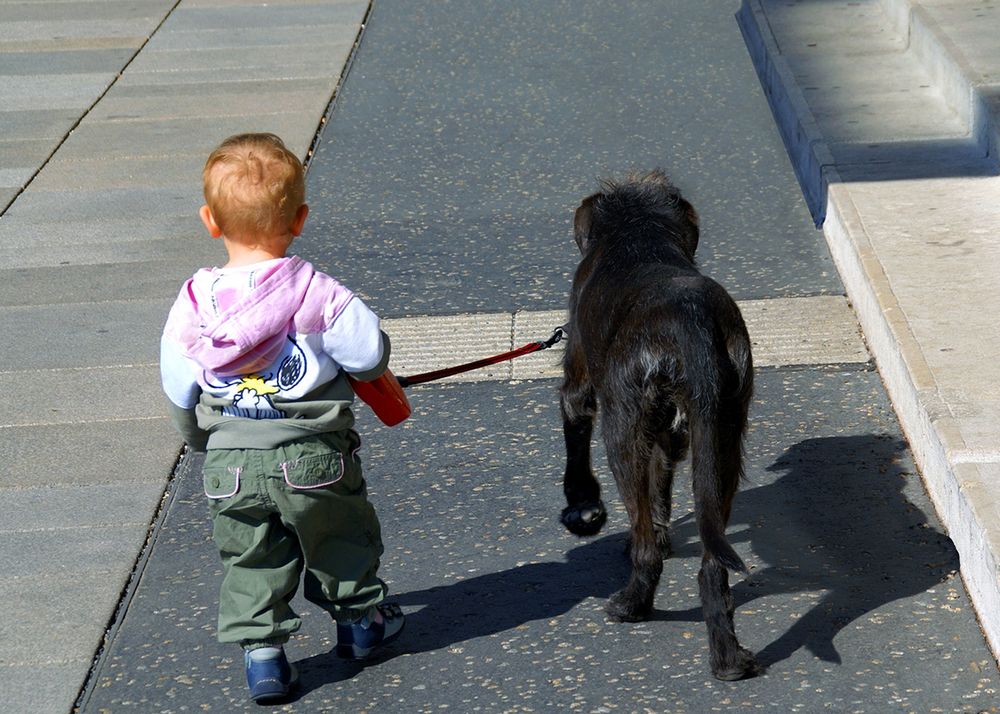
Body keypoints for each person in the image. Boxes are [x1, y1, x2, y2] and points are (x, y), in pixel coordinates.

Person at [159, 132, 404, 703]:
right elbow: (368, 354)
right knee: (338, 536)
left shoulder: (194, 302)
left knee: (250, 554)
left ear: (210, 221)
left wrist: (200, 439)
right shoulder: (314, 290)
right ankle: (360, 624)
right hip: (312, 454)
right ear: (300, 218)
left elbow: (178, 386)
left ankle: (264, 658)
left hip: (230, 464)